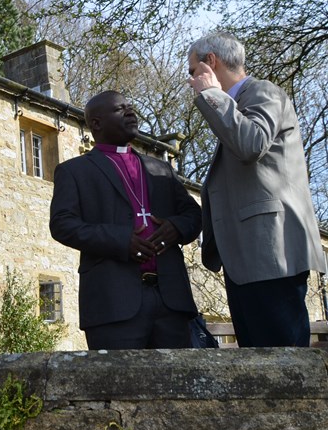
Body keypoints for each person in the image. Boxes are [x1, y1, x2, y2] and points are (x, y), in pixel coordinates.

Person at [188, 31, 327, 346]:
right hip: (248, 259)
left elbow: (250, 144)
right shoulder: (236, 104)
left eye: (194, 72)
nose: (192, 81)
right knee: (260, 360)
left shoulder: (264, 92)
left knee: (283, 360)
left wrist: (211, 94)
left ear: (211, 62)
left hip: (271, 252)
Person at [50, 91, 203, 349]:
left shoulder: (161, 169)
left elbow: (193, 214)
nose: (131, 112)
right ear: (96, 123)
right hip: (112, 303)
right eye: (120, 109)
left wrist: (175, 228)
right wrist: (121, 240)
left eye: (131, 107)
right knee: (116, 388)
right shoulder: (74, 171)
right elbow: (62, 225)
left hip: (171, 300)